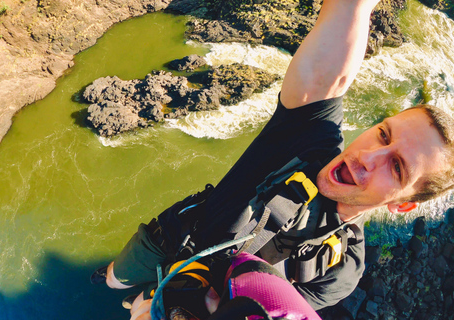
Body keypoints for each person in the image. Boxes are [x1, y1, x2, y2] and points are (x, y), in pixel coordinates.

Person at [95, 0, 454, 316]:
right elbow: (347, 15)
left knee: (139, 306)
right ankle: (109, 280)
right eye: (383, 134)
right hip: (168, 240)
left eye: (396, 167)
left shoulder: (342, 269)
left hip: (192, 301)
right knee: (115, 278)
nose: (369, 156)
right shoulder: (306, 139)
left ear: (405, 206)